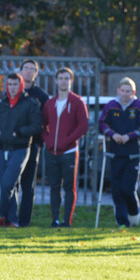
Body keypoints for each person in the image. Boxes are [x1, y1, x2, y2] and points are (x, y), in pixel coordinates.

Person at [40, 68, 88, 227]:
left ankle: (67, 221)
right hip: (51, 152)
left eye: (66, 78)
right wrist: (48, 141)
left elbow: (83, 126)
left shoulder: (77, 102)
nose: (63, 81)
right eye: (60, 78)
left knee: (69, 187)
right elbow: (43, 125)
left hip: (68, 151)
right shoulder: (50, 103)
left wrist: (67, 141)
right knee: (54, 186)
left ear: (71, 81)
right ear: (56, 80)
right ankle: (54, 220)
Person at [97, 77, 140, 228]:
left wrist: (129, 136)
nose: (125, 94)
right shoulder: (111, 106)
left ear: (133, 92)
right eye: (123, 91)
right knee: (117, 190)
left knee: (128, 188)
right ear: (118, 91)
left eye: (128, 91)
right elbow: (101, 123)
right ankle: (122, 222)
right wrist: (112, 134)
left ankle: (134, 211)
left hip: (132, 154)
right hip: (115, 154)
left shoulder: (138, 106)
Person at [0, 73, 42, 227]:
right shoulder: (3, 103)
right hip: (3, 148)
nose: (12, 87)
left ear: (20, 85)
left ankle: (1, 215)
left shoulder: (30, 103)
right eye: (10, 84)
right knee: (11, 186)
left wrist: (19, 132)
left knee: (7, 184)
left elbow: (36, 126)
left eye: (15, 84)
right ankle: (12, 220)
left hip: (20, 149)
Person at [17, 60, 49, 227]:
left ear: (36, 73)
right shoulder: (14, 89)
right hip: (13, 144)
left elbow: (44, 122)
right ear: (21, 70)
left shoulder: (41, 96)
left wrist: (39, 143)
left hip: (32, 145)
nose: (28, 72)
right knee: (11, 183)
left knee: (28, 185)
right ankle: (10, 219)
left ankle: (24, 221)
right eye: (26, 68)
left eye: (32, 69)